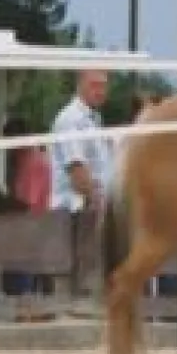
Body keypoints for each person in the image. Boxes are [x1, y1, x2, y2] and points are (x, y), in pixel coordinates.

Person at [50, 70, 113, 296]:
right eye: (95, 84)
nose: (101, 91)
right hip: (76, 211)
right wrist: (101, 203)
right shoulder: (71, 119)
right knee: (75, 283)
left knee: (91, 278)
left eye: (104, 85)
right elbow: (77, 170)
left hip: (88, 210)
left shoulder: (92, 120)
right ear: (80, 84)